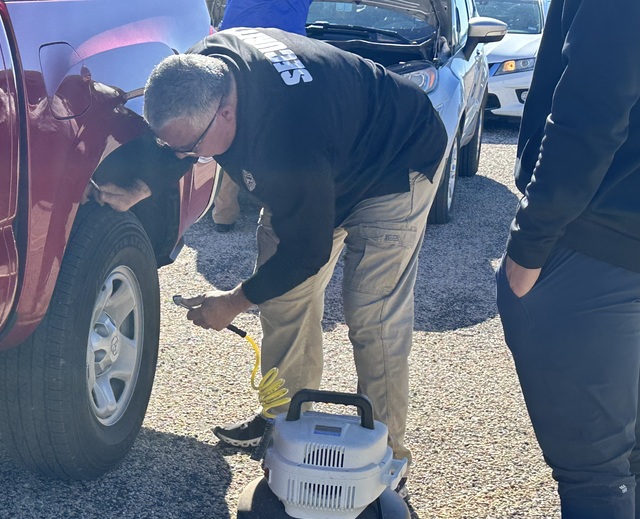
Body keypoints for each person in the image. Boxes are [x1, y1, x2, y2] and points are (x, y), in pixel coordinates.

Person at [91, 27, 446, 473]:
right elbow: (178, 142)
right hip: (322, 152)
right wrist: (140, 183)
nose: (185, 156)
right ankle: (283, 421)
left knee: (372, 316)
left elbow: (307, 251)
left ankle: (386, 457)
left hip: (393, 160)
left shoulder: (287, 133)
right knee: (283, 299)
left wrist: (232, 303)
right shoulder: (203, 68)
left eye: (191, 148)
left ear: (225, 113)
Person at [466, 0, 640, 519]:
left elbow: (593, 103)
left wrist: (529, 246)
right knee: (627, 447)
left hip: (593, 239)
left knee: (593, 460)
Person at [211, 0, 312, 233]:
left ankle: (223, 214)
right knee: (280, 132)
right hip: (285, 52)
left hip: (236, 49)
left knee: (235, 128)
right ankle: (276, 209)